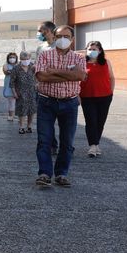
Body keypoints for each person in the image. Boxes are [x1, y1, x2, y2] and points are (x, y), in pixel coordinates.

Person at [33, 25, 85, 188]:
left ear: (72, 39)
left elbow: (80, 75)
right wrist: (68, 75)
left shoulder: (79, 58)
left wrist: (53, 72)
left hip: (69, 103)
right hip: (46, 102)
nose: (63, 39)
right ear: (54, 38)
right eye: (60, 36)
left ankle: (61, 174)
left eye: (67, 36)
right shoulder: (44, 55)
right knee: (44, 140)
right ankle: (45, 174)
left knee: (67, 141)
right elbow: (41, 76)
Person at [80, 40, 115, 158]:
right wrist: (78, 96)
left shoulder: (106, 62)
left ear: (100, 51)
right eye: (90, 49)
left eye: (94, 49)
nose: (92, 51)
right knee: (91, 122)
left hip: (105, 97)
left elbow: (112, 78)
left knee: (100, 122)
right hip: (87, 97)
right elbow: (78, 81)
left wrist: (111, 92)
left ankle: (96, 144)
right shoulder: (82, 63)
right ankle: (92, 146)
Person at [10, 51, 37, 134]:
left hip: (32, 92)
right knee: (22, 110)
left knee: (31, 110)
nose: (26, 60)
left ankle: (29, 126)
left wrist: (38, 84)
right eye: (23, 59)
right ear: (20, 59)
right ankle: (21, 127)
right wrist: (14, 92)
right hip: (21, 92)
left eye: (27, 59)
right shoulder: (16, 68)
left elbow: (38, 76)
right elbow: (12, 82)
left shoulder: (33, 66)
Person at [2, 52, 18, 121]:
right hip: (9, 85)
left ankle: (19, 115)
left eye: (13, 57)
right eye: (10, 57)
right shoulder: (6, 65)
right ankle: (10, 115)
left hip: (18, 85)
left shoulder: (19, 65)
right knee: (11, 101)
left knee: (19, 101)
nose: (12, 59)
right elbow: (6, 72)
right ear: (8, 58)